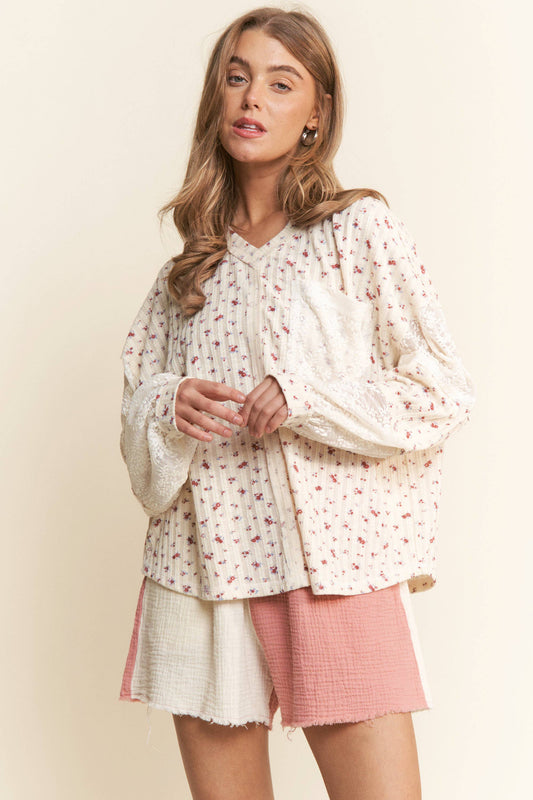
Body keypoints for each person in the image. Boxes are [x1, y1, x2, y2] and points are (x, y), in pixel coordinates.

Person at [118, 6, 475, 799]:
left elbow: (440, 391)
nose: (252, 98)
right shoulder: (187, 274)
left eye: (282, 84)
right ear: (216, 97)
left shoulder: (356, 232)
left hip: (337, 567)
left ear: (316, 114)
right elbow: (140, 444)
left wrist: (305, 397)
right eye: (236, 77)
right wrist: (169, 405)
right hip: (202, 568)